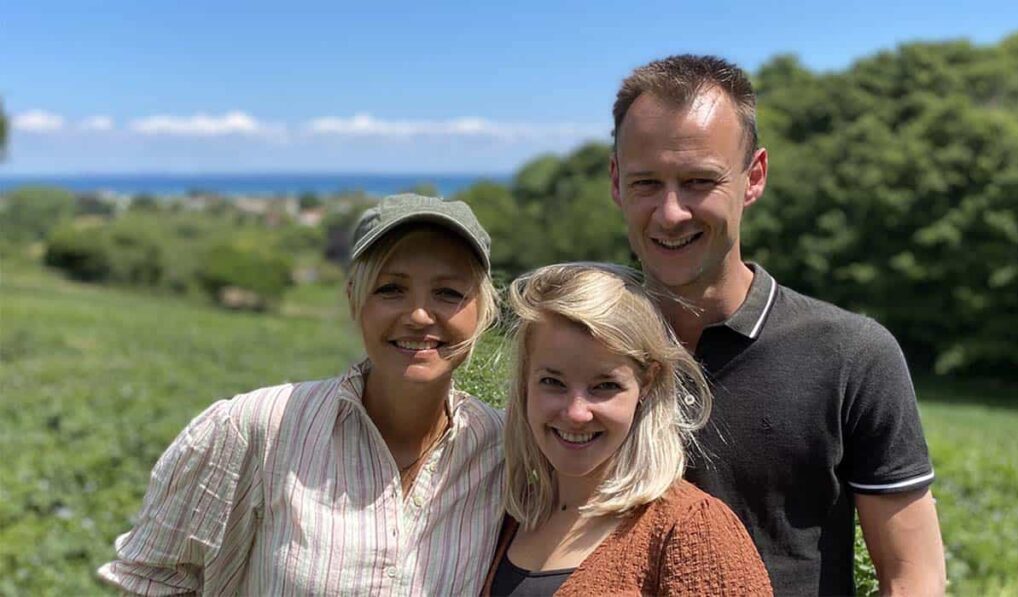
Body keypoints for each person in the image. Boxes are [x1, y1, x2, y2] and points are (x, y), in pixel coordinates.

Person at [608, 54, 946, 595]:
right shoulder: (587, 347)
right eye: (647, 182)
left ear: (753, 178)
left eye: (699, 181)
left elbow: (913, 576)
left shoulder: (850, 355)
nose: (671, 212)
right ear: (617, 182)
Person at [98, 194, 505, 595]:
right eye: (390, 289)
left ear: (483, 311)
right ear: (355, 301)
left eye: (449, 293)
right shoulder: (257, 428)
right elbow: (157, 580)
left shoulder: (506, 450)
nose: (418, 314)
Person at [481, 263, 772, 596]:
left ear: (646, 384)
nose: (576, 413)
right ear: (525, 382)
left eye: (604, 386)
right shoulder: (509, 517)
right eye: (552, 382)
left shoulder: (690, 529)